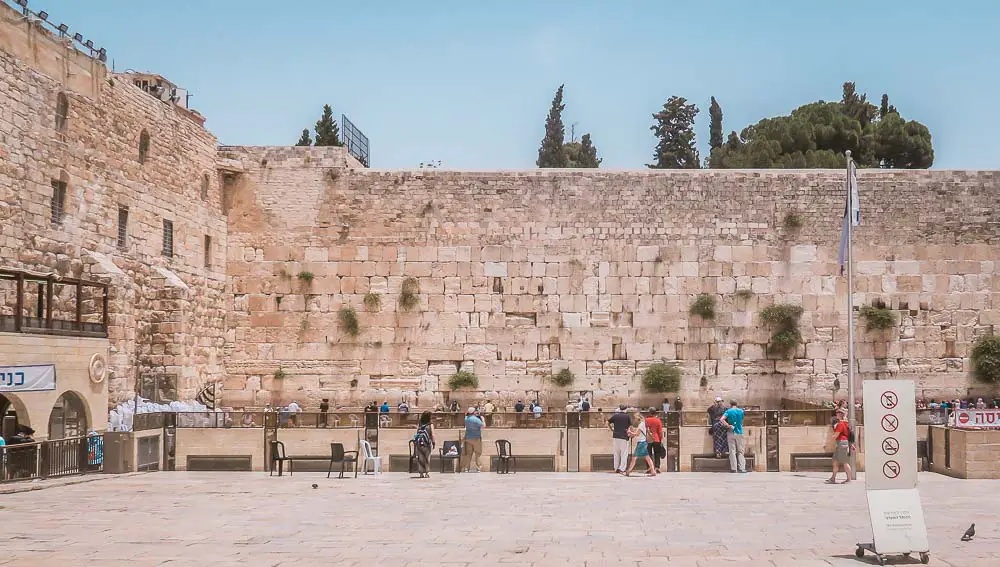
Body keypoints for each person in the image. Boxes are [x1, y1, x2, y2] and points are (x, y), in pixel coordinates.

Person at [827, 409, 854, 484]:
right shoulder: (845, 423)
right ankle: (833, 478)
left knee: (845, 462)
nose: (837, 414)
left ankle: (849, 479)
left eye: (838, 413)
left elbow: (836, 435)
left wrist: (828, 442)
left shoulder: (841, 424)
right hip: (841, 444)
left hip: (842, 443)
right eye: (837, 413)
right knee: (835, 461)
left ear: (841, 414)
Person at [719, 400, 747, 474]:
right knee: (740, 451)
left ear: (730, 404)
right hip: (740, 432)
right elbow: (742, 420)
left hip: (731, 432)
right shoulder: (741, 411)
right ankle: (742, 468)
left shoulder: (728, 411)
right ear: (736, 404)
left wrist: (728, 425)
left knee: (732, 451)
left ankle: (734, 468)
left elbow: (721, 419)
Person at [626, 412, 656, 477]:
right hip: (644, 442)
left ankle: (628, 471)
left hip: (641, 443)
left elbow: (637, 434)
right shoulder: (643, 424)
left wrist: (629, 432)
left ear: (638, 418)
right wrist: (632, 433)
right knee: (648, 458)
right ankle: (653, 471)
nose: (634, 420)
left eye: (635, 418)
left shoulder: (640, 425)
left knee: (634, 458)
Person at [608, 404, 631, 474]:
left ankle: (616, 468)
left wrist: (611, 429)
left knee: (616, 453)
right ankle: (622, 468)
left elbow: (608, 422)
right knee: (624, 453)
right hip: (624, 437)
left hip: (615, 436)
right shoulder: (627, 416)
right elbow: (630, 425)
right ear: (626, 409)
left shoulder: (615, 415)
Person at [461, 408, 485, 472]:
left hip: (468, 438)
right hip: (476, 438)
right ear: (473, 412)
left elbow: (466, 415)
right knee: (478, 453)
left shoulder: (466, 419)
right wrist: (482, 419)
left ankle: (466, 468)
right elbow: (483, 426)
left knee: (469, 454)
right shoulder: (476, 420)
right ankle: (478, 467)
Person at [413, 411, 435, 478]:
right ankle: (427, 473)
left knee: (421, 458)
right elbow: (433, 434)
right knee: (427, 458)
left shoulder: (420, 424)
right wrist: (433, 443)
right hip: (427, 443)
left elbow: (417, 432)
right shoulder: (430, 424)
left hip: (420, 443)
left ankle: (421, 473)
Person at [644, 407, 664, 473]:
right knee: (657, 454)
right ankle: (657, 467)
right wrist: (662, 440)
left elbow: (645, 430)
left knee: (648, 454)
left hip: (648, 439)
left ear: (649, 412)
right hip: (656, 439)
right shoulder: (658, 420)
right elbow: (660, 432)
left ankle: (649, 467)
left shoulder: (646, 420)